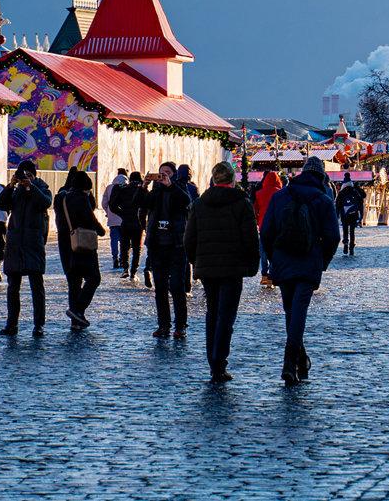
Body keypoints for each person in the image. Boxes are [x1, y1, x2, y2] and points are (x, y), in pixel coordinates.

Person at [259, 156, 339, 385]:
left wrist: (274, 257)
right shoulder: (323, 200)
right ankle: (290, 362)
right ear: (321, 176)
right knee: (299, 312)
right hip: (308, 262)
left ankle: (299, 360)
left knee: (290, 312)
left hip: (283, 261)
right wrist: (322, 261)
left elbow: (265, 232)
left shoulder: (280, 196)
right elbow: (333, 236)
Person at [188, 160, 260, 382]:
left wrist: (196, 262)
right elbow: (250, 238)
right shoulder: (241, 202)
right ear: (232, 179)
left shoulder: (199, 204)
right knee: (226, 316)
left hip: (208, 269)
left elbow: (189, 238)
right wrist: (252, 264)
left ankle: (213, 360)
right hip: (232, 268)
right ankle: (219, 362)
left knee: (212, 313)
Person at [0, 161, 51, 336]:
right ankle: (11, 324)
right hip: (15, 244)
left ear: (33, 175)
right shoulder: (15, 191)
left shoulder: (42, 188)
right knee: (12, 288)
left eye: (26, 176)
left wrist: (31, 187)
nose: (23, 179)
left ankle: (39, 325)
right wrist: (10, 186)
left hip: (33, 243)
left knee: (37, 287)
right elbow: (0, 204)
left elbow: (46, 203)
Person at [144, 161, 193, 339]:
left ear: (173, 174)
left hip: (176, 245)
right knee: (160, 288)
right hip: (157, 245)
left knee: (177, 287)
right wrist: (143, 185)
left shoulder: (180, 188)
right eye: (160, 172)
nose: (163, 175)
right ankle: (163, 325)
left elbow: (187, 202)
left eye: (167, 172)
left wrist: (171, 186)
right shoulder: (155, 192)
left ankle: (180, 326)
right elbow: (139, 203)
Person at [53, 168, 105, 331]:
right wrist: (101, 230)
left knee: (73, 282)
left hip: (65, 244)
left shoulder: (60, 197)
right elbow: (90, 218)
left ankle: (76, 321)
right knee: (94, 278)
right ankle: (77, 310)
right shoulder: (81, 198)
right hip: (82, 244)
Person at [102, 168, 129, 270]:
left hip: (112, 219)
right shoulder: (127, 187)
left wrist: (108, 212)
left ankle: (115, 258)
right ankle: (123, 259)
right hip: (125, 219)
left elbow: (104, 203)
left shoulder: (109, 187)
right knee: (124, 240)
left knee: (114, 240)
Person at [122, 170, 147, 280]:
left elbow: (114, 204)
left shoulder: (124, 189)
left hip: (125, 221)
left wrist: (122, 213)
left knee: (124, 246)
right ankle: (133, 272)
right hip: (138, 223)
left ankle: (125, 269)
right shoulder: (142, 190)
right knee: (137, 249)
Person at [336, 179, 363, 257]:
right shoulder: (355, 192)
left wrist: (337, 215)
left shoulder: (341, 193)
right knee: (352, 231)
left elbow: (338, 205)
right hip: (353, 214)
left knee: (345, 230)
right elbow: (361, 202)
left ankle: (345, 242)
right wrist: (361, 215)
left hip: (344, 214)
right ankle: (351, 246)